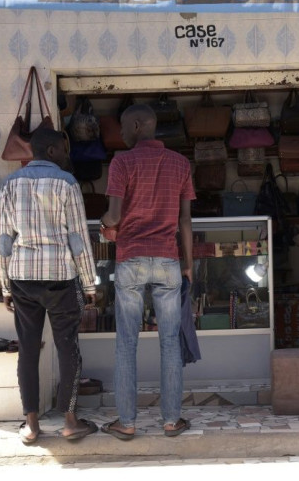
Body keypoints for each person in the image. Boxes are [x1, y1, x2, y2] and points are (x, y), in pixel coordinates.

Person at [0, 127, 99, 444]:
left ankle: (31, 425)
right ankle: (69, 421)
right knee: (68, 347)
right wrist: (89, 284)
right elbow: (78, 240)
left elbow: (3, 240)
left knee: (28, 350)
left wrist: (4, 285)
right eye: (64, 148)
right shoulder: (67, 183)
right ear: (52, 151)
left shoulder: (11, 183)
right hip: (61, 278)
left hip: (23, 278)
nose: (67, 154)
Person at [100, 103, 195, 440]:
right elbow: (185, 220)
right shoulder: (180, 164)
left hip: (131, 259)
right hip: (169, 259)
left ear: (138, 125)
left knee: (127, 344)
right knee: (170, 343)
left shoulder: (122, 162)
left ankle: (126, 422)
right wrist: (188, 264)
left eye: (124, 128)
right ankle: (172, 421)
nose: (121, 134)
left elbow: (113, 215)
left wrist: (104, 226)